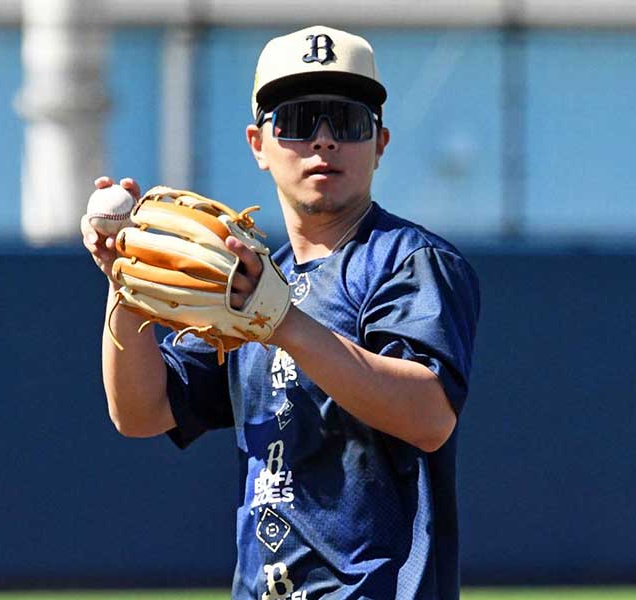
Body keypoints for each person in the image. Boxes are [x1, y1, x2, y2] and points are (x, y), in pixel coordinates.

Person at [81, 25, 481, 600]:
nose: (324, 141)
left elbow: (428, 415)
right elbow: (141, 412)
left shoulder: (409, 262)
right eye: (297, 121)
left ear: (381, 142)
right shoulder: (247, 280)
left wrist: (283, 322)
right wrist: (125, 285)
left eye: (346, 121)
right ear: (258, 144)